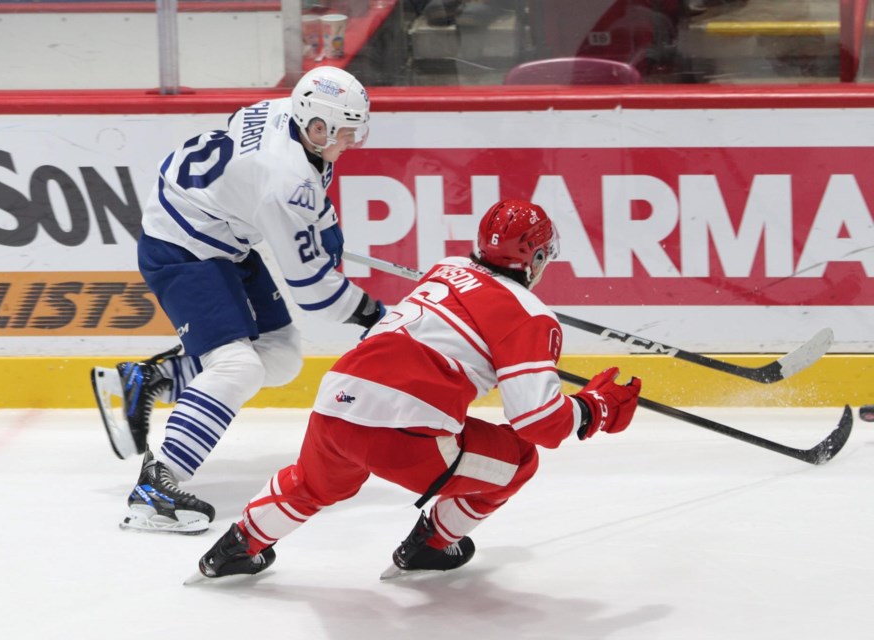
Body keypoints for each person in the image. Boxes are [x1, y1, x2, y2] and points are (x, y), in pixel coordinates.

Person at [191, 198, 642, 580]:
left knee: (311, 483)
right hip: (402, 432)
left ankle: (233, 549)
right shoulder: (531, 314)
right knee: (519, 457)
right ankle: (431, 545)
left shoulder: (445, 270)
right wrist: (593, 409)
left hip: (336, 403)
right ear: (537, 258)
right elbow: (539, 423)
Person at [94, 65, 386, 535]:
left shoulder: (280, 112)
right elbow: (314, 292)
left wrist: (313, 224)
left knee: (281, 356)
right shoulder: (285, 183)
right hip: (181, 246)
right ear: (316, 127)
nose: (353, 141)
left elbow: (250, 153)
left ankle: (148, 378)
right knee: (239, 367)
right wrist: (372, 313)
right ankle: (156, 484)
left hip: (217, 233)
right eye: (347, 132)